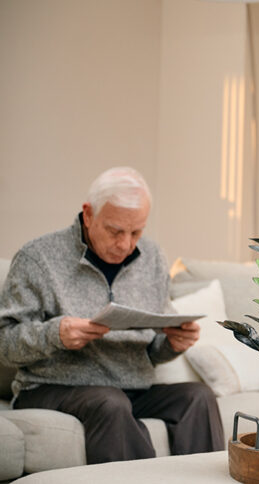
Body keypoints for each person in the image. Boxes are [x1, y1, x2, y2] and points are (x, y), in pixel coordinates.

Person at [0, 167, 224, 464]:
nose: (126, 244)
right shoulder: (38, 257)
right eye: (115, 231)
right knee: (110, 402)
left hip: (133, 388)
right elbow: (4, 344)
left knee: (199, 397)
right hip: (52, 387)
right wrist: (55, 334)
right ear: (88, 214)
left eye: (136, 232)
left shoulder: (153, 257)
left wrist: (173, 344)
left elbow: (153, 352)